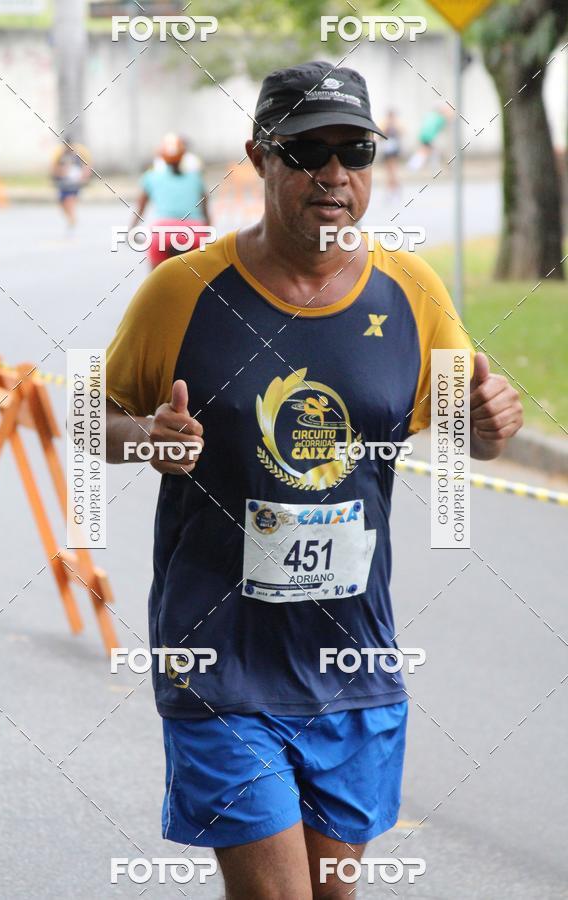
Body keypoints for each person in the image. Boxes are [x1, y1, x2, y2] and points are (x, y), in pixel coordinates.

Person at [104, 61, 523, 898]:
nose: (334, 174)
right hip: (220, 662)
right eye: (307, 151)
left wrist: (488, 425)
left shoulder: (412, 293)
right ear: (259, 157)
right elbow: (90, 420)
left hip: (352, 664)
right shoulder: (183, 291)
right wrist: (143, 434)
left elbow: (471, 424)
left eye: (355, 151)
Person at [131, 132, 210, 268]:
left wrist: (132, 229)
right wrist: (207, 230)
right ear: (184, 156)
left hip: (161, 234)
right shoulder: (196, 178)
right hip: (194, 233)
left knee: (156, 283)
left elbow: (140, 209)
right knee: (195, 282)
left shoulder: (150, 177)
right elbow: (205, 210)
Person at [50, 136, 91, 229]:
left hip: (75, 182)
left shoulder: (80, 152)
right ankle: (70, 217)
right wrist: (61, 172)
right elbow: (53, 167)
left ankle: (73, 219)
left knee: (70, 199)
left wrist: (84, 177)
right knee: (61, 202)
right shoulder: (59, 153)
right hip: (63, 182)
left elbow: (88, 165)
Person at [407, 105, 453, 172]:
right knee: (426, 151)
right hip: (429, 136)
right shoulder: (439, 118)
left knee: (430, 151)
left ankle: (431, 167)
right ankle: (413, 166)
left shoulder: (430, 115)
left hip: (423, 135)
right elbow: (445, 123)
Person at [380, 108, 403, 200]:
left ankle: (394, 188)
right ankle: (392, 189)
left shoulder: (397, 124)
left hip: (393, 149)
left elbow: (402, 132)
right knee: (389, 171)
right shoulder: (385, 123)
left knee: (393, 170)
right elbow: (381, 134)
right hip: (387, 149)